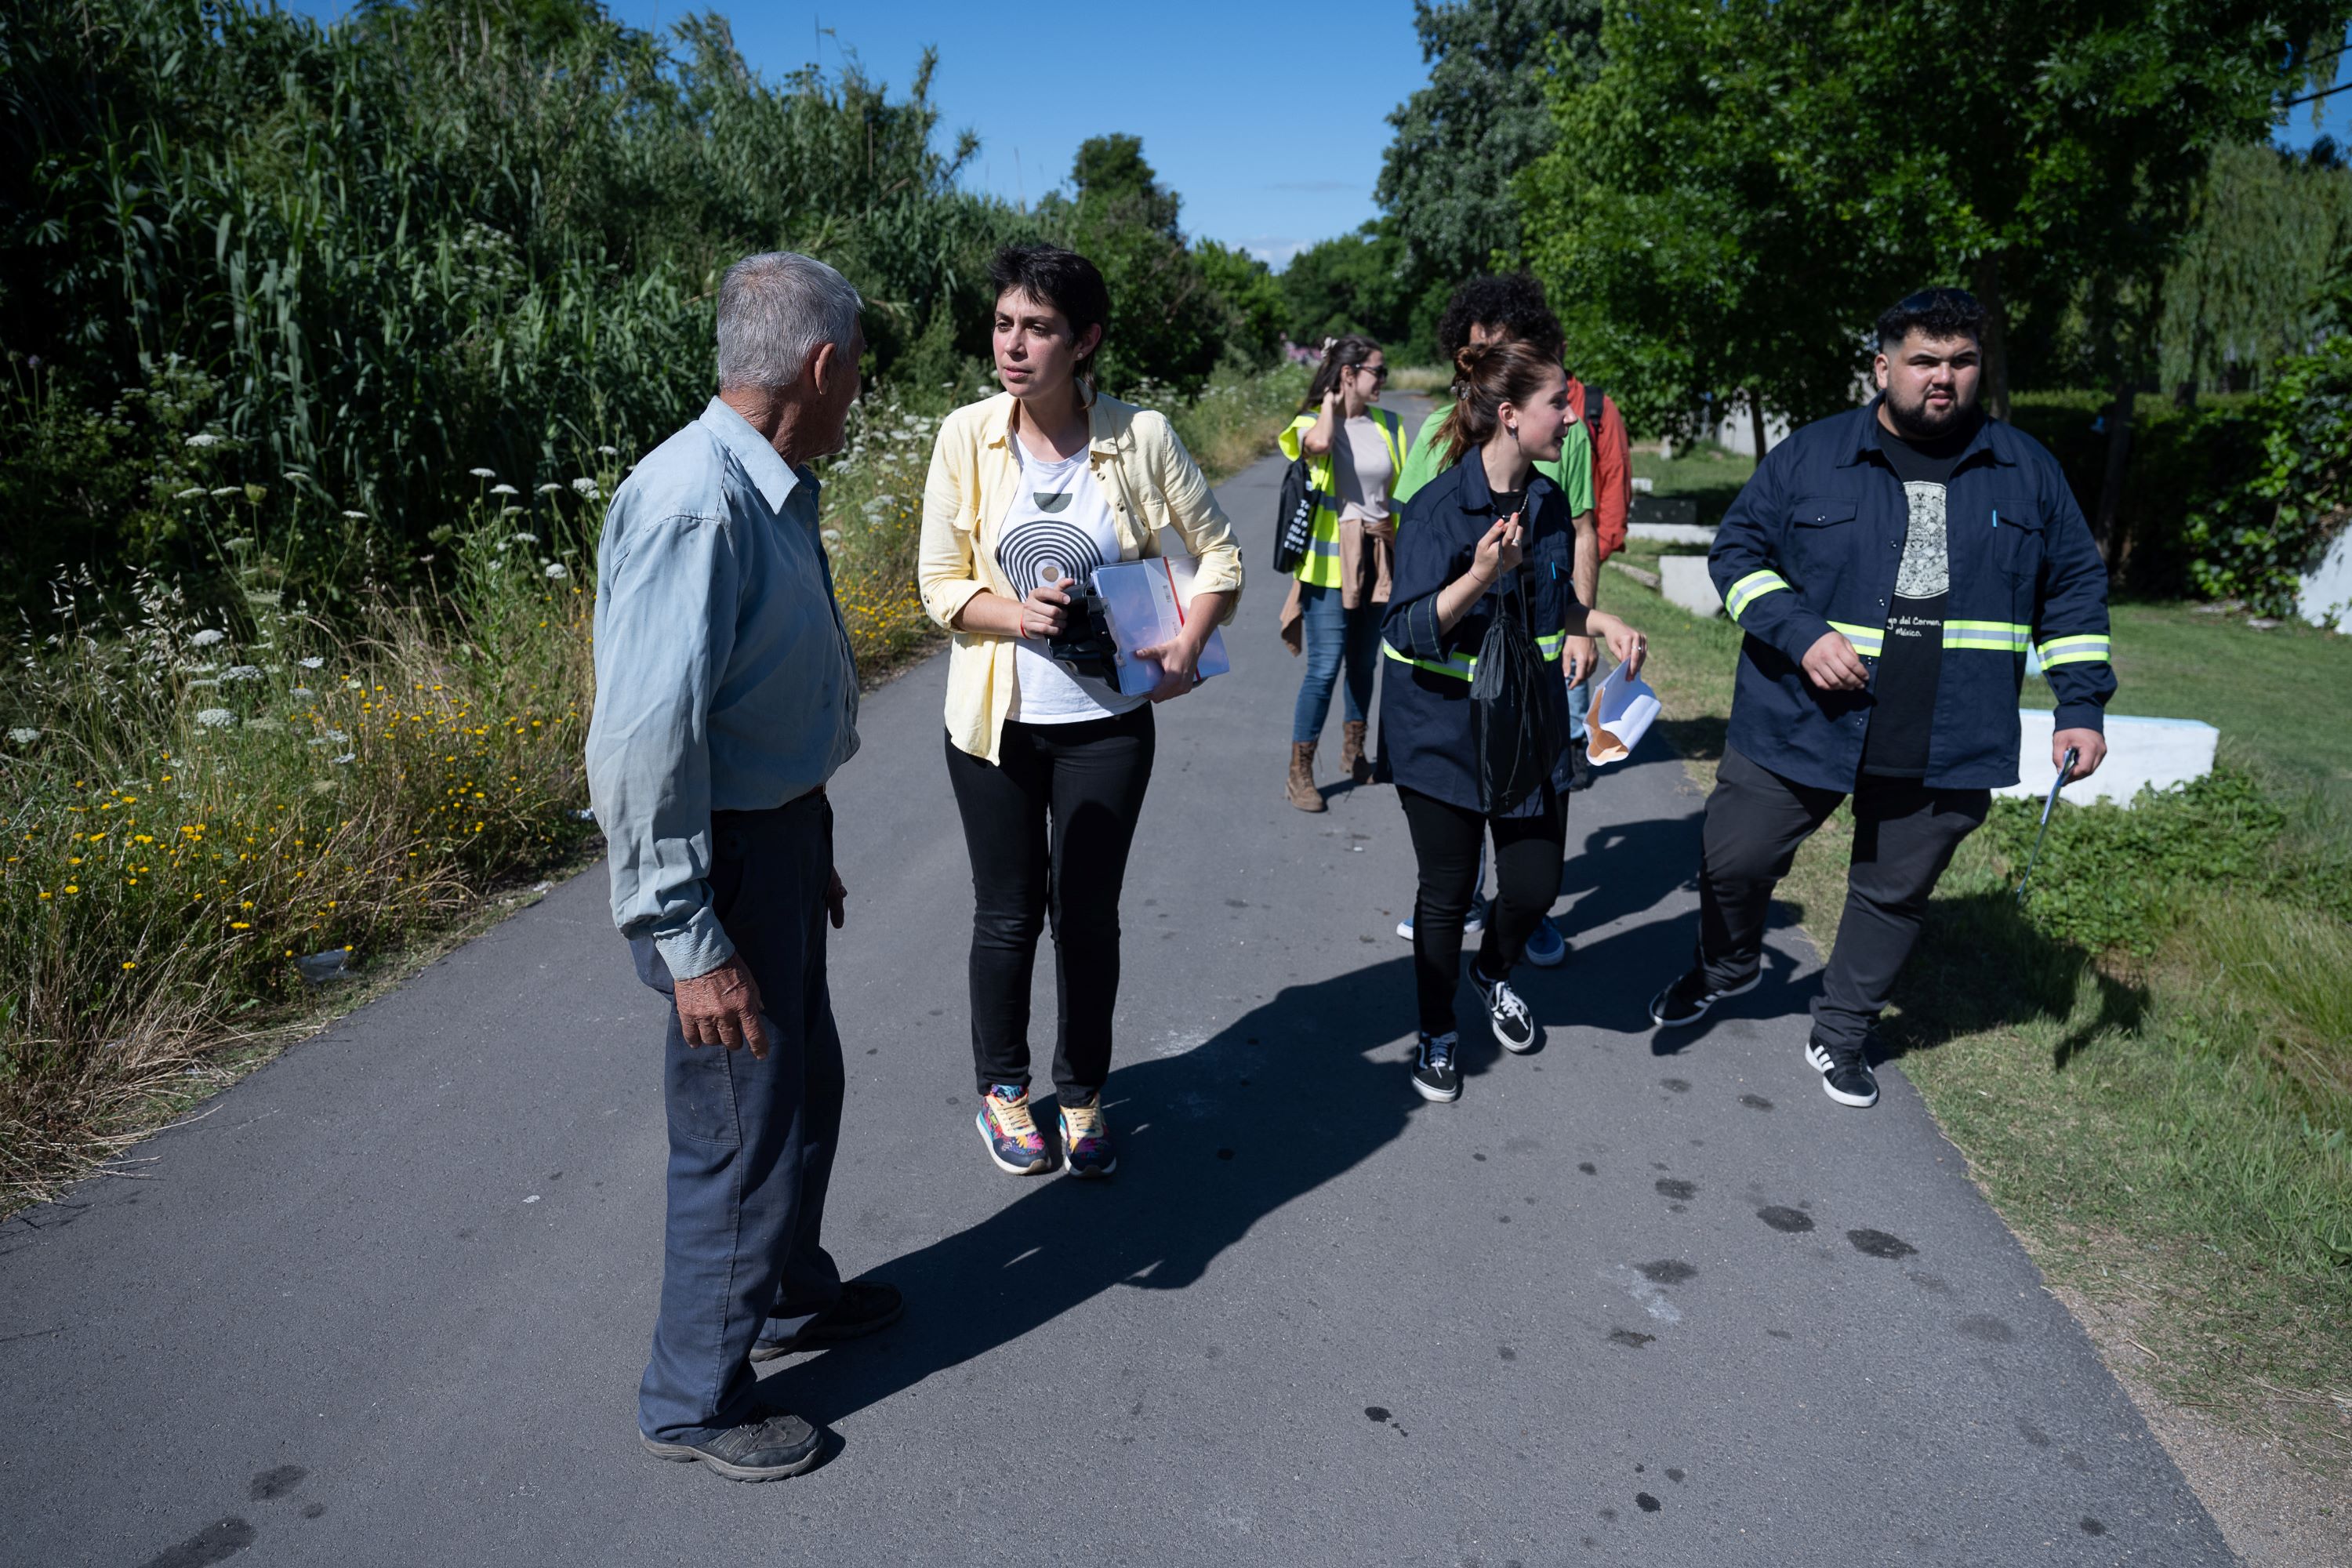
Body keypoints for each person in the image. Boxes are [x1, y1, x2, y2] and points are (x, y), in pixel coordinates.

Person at [586, 252, 898, 1483]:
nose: (860, 398)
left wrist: (803, 838)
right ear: (820, 368)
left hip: (771, 838)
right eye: (858, 376)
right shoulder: (696, 503)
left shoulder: (765, 484)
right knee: (738, 1123)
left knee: (803, 1084)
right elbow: (644, 741)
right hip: (714, 864)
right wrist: (688, 935)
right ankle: (693, 1398)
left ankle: (781, 1291)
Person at [1646, 288, 2114, 1108]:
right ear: (1883, 365)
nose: (1945, 378)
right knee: (1734, 858)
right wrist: (1801, 632)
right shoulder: (1813, 455)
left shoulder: (2029, 469)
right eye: (1925, 360)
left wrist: (2080, 705)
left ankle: (1843, 1030)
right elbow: (1738, 555)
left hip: (1949, 727)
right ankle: (1725, 964)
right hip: (1802, 714)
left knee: (1892, 891)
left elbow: (2072, 590)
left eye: (1963, 361)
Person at [918, 243, 1243, 1179]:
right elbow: (939, 584)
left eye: (1041, 328)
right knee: (1008, 912)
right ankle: (1004, 1090)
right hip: (994, 724)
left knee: (1088, 914)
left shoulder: (1139, 436)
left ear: (1086, 339)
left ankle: (1084, 1089)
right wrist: (1016, 612)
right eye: (1005, 323)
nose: (1015, 345)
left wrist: (1187, 641)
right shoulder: (964, 435)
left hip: (1107, 721)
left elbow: (1219, 554)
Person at [1381, 339, 1647, 1104]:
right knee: (1448, 887)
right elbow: (1405, 629)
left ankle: (1491, 970)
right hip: (1441, 727)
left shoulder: (1548, 499)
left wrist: (1599, 621)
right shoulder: (1439, 506)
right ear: (1508, 414)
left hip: (1525, 718)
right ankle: (1436, 1030)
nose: (1573, 416)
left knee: (1535, 885)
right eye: (1558, 405)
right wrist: (1478, 573)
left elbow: (1559, 596)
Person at [1390, 275, 1598, 967]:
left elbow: (1577, 538)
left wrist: (1585, 622)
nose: (1480, 363)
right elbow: (1414, 544)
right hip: (1449, 686)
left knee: (1533, 871)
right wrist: (1471, 578)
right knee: (1449, 874)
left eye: (1499, 349)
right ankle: (1457, 922)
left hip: (1528, 680)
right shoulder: (1436, 443)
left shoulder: (1562, 444)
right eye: (1473, 351)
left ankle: (1512, 922)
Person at [1276, 335, 1407, 811]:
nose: (1384, 380)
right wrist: (1331, 401)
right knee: (1325, 667)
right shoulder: (1310, 422)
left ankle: (1355, 751)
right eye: (1378, 371)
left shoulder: (1391, 425)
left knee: (1365, 663)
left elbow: (1402, 491)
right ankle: (1300, 771)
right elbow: (1319, 446)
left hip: (1378, 563)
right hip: (1328, 566)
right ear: (1350, 374)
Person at [1562, 362, 1632, 792]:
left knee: (1576, 636)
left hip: (1579, 546)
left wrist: (1598, 548)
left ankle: (1573, 741)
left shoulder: (1593, 407)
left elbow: (1615, 479)